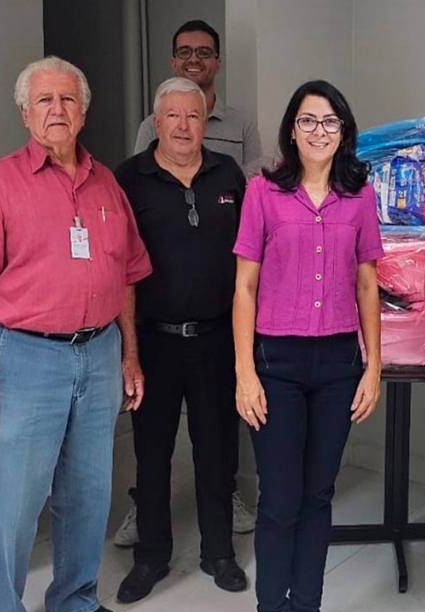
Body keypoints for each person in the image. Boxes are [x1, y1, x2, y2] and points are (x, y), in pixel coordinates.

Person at [0, 56, 152, 612]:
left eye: (67, 99)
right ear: (26, 113)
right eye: (44, 101)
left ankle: (75, 598)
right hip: (25, 355)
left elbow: (128, 277)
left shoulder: (109, 187)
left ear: (83, 111)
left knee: (89, 491)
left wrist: (129, 353)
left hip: (99, 351)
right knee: (12, 502)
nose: (56, 110)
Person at [233, 80, 382, 612]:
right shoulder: (263, 193)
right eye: (308, 120)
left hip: (339, 364)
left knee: (319, 496)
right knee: (280, 498)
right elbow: (244, 286)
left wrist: (373, 365)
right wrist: (244, 372)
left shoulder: (359, 195)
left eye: (330, 122)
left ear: (344, 131)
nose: (319, 131)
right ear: (291, 130)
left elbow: (367, 283)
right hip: (278, 364)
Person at [116, 18, 261, 546]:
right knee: (151, 452)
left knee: (217, 449)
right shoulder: (128, 178)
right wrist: (127, 346)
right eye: (172, 116)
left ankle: (218, 553)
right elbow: (118, 266)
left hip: (218, 336)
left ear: (207, 120)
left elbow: (253, 253)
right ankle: (151, 557)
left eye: (192, 116)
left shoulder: (229, 175)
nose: (183, 126)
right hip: (154, 338)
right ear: (156, 122)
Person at [132, 20, 262, 168]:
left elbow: (254, 186)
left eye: (204, 53)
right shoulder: (151, 127)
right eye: (184, 52)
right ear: (173, 62)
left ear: (218, 63)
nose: (193, 59)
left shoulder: (243, 128)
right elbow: (140, 182)